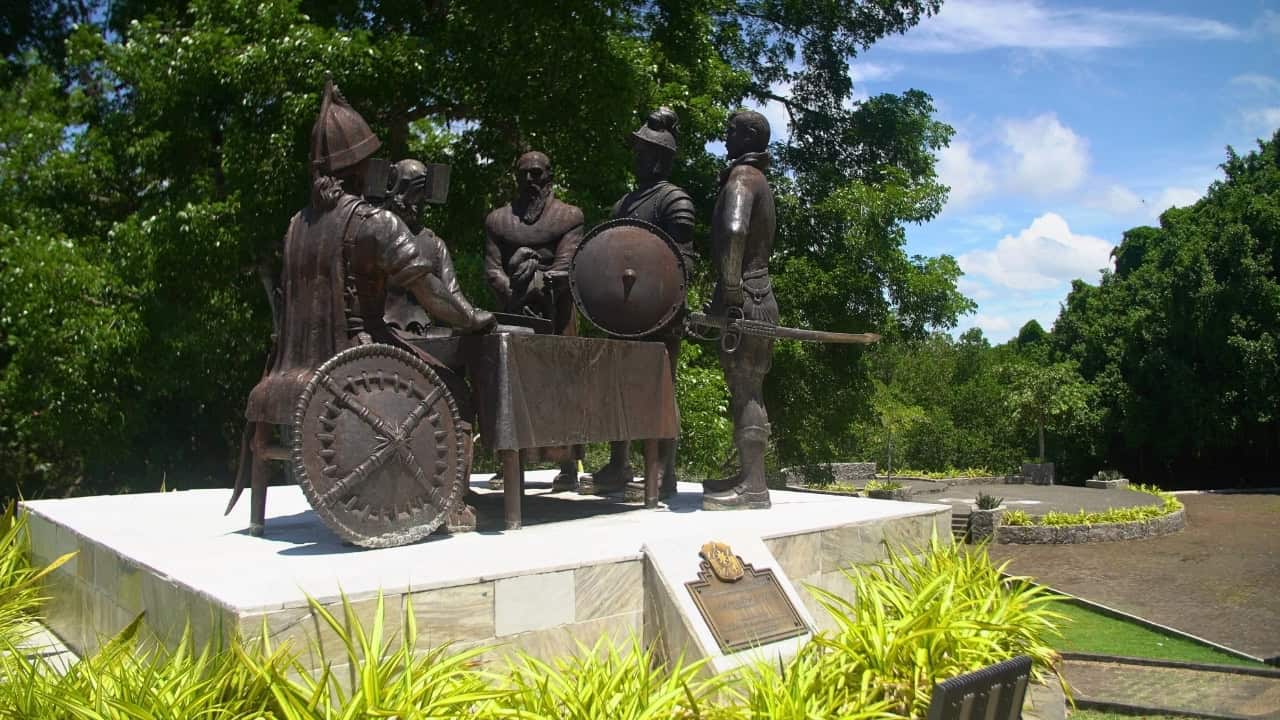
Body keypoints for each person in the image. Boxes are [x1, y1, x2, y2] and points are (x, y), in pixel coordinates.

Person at [232, 79, 494, 535]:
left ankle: (258, 518)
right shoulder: (374, 223)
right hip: (355, 356)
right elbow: (431, 291)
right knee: (455, 388)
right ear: (360, 168)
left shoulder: (296, 224)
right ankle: (450, 504)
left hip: (286, 369)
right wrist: (474, 318)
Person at [586, 107, 695, 498]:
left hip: (658, 315)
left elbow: (682, 262)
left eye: (644, 150)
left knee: (658, 388)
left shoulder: (674, 201)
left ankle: (663, 470)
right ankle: (620, 463)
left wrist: (659, 300)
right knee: (618, 387)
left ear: (660, 157)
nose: (637, 156)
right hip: (622, 316)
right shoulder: (624, 204)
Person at [483, 151, 585, 490]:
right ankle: (510, 462)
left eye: (537, 174)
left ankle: (569, 464)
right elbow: (492, 268)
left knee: (563, 388)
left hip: (557, 314)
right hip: (513, 310)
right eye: (523, 174)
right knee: (511, 389)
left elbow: (566, 266)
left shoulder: (569, 216)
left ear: (549, 176)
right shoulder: (498, 220)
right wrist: (513, 290)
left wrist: (535, 282)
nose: (530, 181)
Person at [702, 109, 777, 510]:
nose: (725, 135)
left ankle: (754, 486)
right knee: (742, 388)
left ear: (749, 137)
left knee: (747, 387)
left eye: (731, 130)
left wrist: (730, 286)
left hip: (748, 297)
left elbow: (734, 230)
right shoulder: (752, 177)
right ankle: (750, 475)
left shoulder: (744, 179)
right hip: (751, 296)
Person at [380, 159, 481, 336]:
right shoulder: (375, 233)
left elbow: (452, 293)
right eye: (415, 195)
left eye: (421, 198)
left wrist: (471, 317)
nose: (419, 205)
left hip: (421, 330)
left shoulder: (434, 243)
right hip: (381, 329)